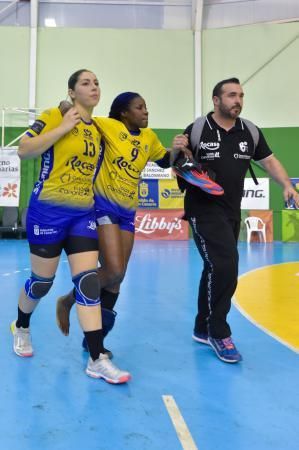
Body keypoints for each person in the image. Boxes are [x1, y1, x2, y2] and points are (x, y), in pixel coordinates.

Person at [11, 69, 131, 384]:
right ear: (71, 92)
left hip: (82, 213)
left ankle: (96, 358)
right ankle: (22, 325)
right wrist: (63, 126)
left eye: (97, 82)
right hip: (48, 212)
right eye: (86, 83)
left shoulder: (100, 129)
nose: (94, 87)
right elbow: (24, 150)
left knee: (88, 283)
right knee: (42, 282)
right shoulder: (54, 115)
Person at [175, 77, 299, 364]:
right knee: (226, 264)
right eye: (231, 95)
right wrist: (177, 149)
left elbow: (268, 160)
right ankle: (219, 331)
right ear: (216, 100)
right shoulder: (197, 129)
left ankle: (202, 327)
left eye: (241, 95)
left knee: (214, 268)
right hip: (202, 209)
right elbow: (178, 164)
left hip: (232, 210)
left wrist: (286, 185)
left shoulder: (250, 131)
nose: (238, 100)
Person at [56, 92, 187, 354]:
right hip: (103, 205)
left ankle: (95, 341)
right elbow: (67, 110)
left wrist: (178, 149)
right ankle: (69, 301)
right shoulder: (108, 125)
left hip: (128, 211)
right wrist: (68, 105)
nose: (146, 111)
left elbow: (164, 161)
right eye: (140, 107)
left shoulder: (149, 137)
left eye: (146, 106)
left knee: (117, 278)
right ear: (125, 113)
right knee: (114, 269)